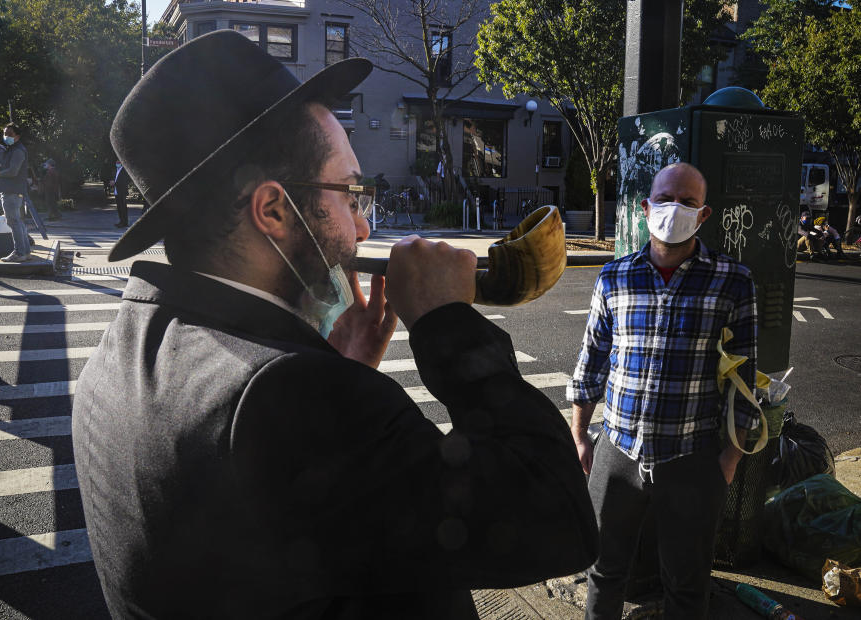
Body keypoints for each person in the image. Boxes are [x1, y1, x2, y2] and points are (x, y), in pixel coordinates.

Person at [72, 30, 597, 620]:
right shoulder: (287, 395)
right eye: (349, 194)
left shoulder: (121, 353)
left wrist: (335, 366)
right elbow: (557, 514)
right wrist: (448, 325)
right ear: (272, 210)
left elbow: (286, 529)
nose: (363, 229)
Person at [568, 163, 760, 620]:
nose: (675, 208)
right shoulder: (615, 277)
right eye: (666, 198)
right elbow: (591, 358)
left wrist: (728, 461)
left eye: (688, 202)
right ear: (645, 206)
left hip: (691, 457)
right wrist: (580, 434)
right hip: (617, 449)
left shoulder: (733, 280)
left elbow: (746, 378)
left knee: (687, 582)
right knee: (603, 569)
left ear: (704, 214)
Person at [0, 122, 31, 262]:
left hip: (12, 191)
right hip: (12, 190)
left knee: (13, 222)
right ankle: (25, 252)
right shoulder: (11, 149)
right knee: (17, 221)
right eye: (5, 133)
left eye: (10, 134)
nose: (6, 136)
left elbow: (13, 172)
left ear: (17, 136)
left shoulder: (17, 150)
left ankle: (19, 253)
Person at [110, 159, 128, 227]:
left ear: (121, 163)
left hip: (122, 191)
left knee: (123, 207)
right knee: (119, 208)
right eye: (116, 162)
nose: (117, 163)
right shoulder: (115, 170)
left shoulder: (124, 171)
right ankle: (121, 221)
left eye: (119, 162)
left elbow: (125, 181)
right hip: (116, 191)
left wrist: (115, 183)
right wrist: (112, 182)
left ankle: (124, 222)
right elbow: (114, 179)